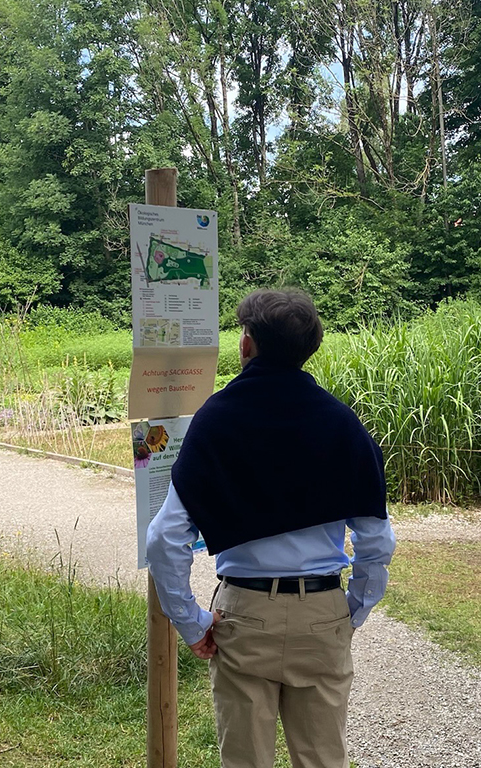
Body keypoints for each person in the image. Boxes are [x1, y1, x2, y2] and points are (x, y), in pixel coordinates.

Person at [146, 288, 396, 768]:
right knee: (323, 759)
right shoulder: (343, 424)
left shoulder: (215, 420)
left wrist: (192, 622)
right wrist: (353, 611)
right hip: (322, 612)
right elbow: (376, 539)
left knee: (244, 760)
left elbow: (164, 539)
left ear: (246, 345)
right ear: (308, 350)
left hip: (244, 614)